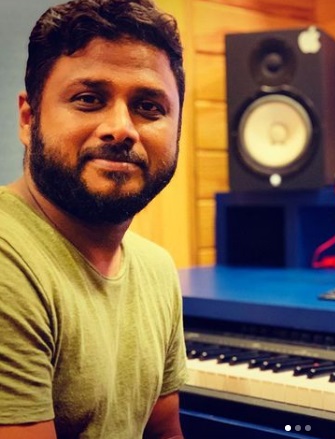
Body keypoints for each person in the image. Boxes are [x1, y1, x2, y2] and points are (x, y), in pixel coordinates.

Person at [0, 0, 187, 437]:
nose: (121, 128)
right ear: (28, 119)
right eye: (88, 99)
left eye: (149, 107)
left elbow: (165, 432)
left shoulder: (157, 268)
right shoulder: (8, 262)